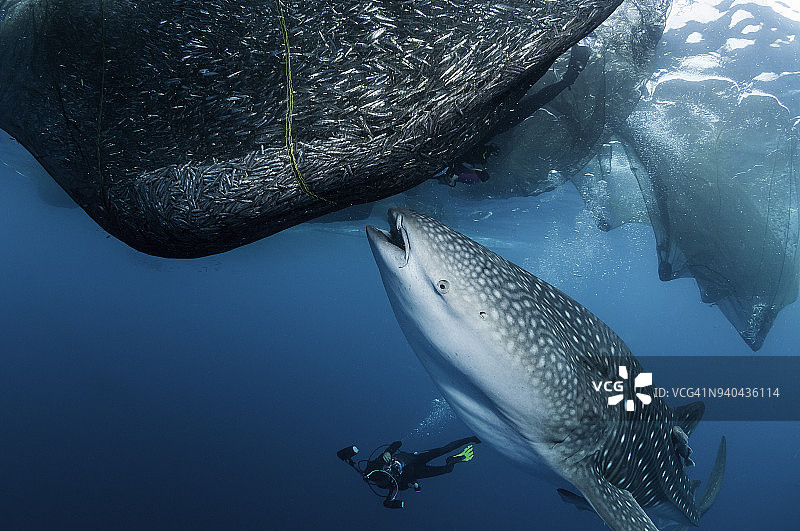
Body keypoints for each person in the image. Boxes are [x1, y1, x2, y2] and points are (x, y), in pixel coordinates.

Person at [339, 436, 480, 508]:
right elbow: (405, 486)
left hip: (414, 458)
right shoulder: (391, 485)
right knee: (447, 469)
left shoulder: (375, 465)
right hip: (417, 473)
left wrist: (388, 451)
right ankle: (454, 459)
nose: (389, 474)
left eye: (384, 474)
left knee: (443, 449)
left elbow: (398, 443)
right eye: (385, 480)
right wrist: (415, 485)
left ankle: (471, 439)